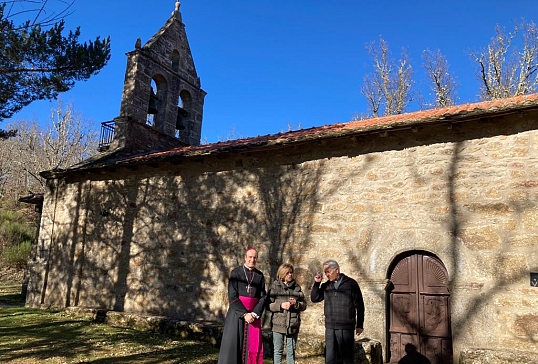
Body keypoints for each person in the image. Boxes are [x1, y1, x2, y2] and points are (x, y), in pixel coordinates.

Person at [218, 248, 267, 364]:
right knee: (232, 346)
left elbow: (263, 297)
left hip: (253, 317)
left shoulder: (259, 276)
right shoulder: (236, 273)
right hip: (237, 315)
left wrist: (254, 313)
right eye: (250, 257)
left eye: (254, 257)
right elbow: (232, 296)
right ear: (245, 257)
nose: (252, 260)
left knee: (252, 348)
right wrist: (245, 314)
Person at [310, 259, 365, 364]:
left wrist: (360, 325)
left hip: (346, 327)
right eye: (325, 272)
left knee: (346, 359)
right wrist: (317, 284)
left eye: (328, 271)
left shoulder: (351, 284)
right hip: (330, 327)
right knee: (330, 358)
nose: (326, 274)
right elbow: (315, 298)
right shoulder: (327, 285)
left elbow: (360, 305)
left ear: (337, 270)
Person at [268, 263, 307, 364]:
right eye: (287, 273)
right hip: (278, 324)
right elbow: (268, 305)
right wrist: (280, 306)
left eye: (291, 273)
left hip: (293, 325)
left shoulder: (297, 288)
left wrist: (296, 303)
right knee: (278, 351)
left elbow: (304, 305)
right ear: (282, 274)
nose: (290, 275)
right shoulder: (275, 287)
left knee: (291, 352)